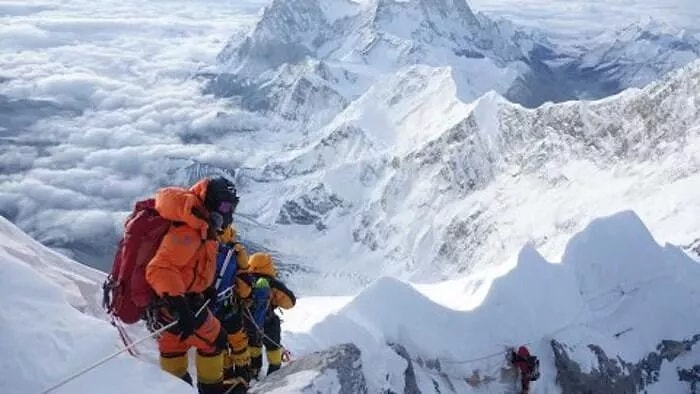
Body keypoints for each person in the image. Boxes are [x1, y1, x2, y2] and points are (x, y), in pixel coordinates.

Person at [144, 176, 240, 394]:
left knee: (174, 347)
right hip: (176, 303)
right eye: (225, 206)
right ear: (212, 203)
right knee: (216, 340)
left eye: (232, 207)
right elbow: (160, 268)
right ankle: (211, 390)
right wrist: (179, 304)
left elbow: (191, 265)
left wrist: (205, 289)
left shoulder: (199, 224)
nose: (229, 213)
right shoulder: (188, 230)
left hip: (168, 305)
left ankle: (177, 388)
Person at [209, 225, 258, 392]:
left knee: (218, 342)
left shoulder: (202, 245)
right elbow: (244, 282)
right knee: (238, 340)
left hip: (206, 309)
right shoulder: (235, 252)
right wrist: (245, 297)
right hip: (229, 306)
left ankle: (226, 375)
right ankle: (243, 375)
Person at [240, 252, 296, 379]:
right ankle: (274, 372)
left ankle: (254, 370)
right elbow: (290, 302)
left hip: (247, 322)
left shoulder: (244, 279)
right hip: (268, 321)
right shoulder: (271, 283)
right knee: (273, 347)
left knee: (254, 344)